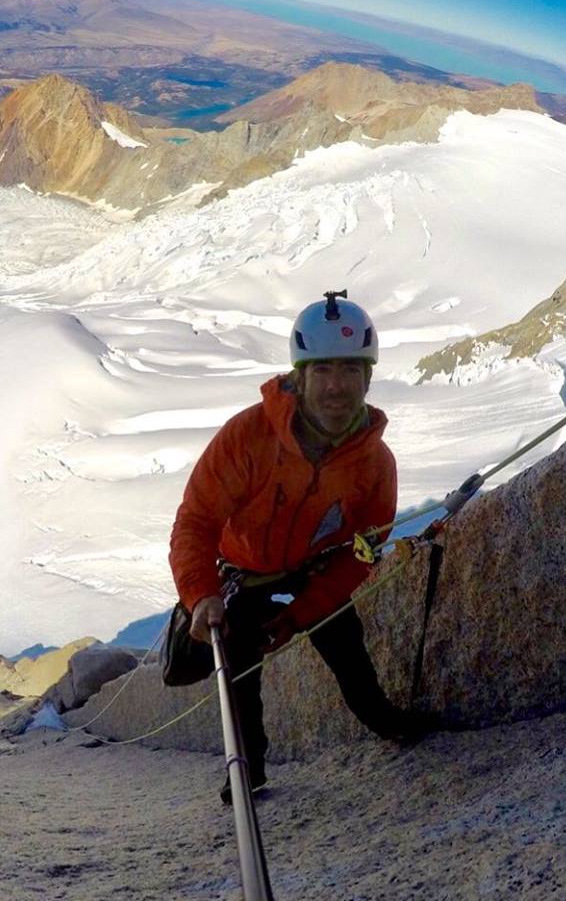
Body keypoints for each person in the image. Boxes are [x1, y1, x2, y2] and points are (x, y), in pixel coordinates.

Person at [169, 290, 431, 803]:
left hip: (315, 570)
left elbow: (363, 551)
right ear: (300, 376)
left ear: (368, 378)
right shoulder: (247, 437)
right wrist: (201, 594)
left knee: (346, 646)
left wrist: (301, 613)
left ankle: (383, 720)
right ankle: (247, 768)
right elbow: (196, 522)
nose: (337, 387)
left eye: (351, 371)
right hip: (243, 573)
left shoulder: (375, 463)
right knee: (239, 666)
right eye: (324, 371)